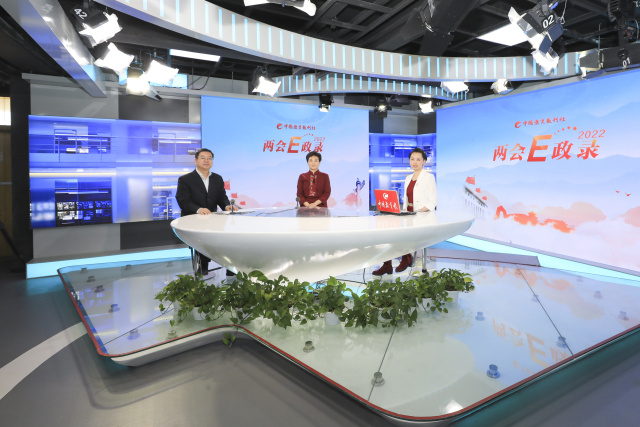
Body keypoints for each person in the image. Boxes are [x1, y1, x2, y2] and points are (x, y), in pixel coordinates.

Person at [372, 147, 437, 276]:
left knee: (399, 234)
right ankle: (387, 264)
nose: (415, 162)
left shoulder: (429, 177)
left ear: (424, 161)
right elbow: (406, 200)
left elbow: (433, 201)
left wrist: (419, 212)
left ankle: (406, 257)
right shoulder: (408, 178)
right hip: (408, 215)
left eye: (418, 159)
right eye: (412, 159)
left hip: (422, 217)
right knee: (388, 231)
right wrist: (402, 212)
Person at [176, 148, 238, 275]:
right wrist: (198, 209)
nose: (206, 160)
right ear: (196, 160)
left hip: (212, 219)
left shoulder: (217, 178)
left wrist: (227, 206)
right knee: (202, 243)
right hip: (193, 220)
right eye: (203, 158)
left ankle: (231, 268)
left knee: (228, 239)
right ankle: (202, 267)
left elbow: (221, 197)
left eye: (209, 158)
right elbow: (183, 200)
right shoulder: (185, 179)